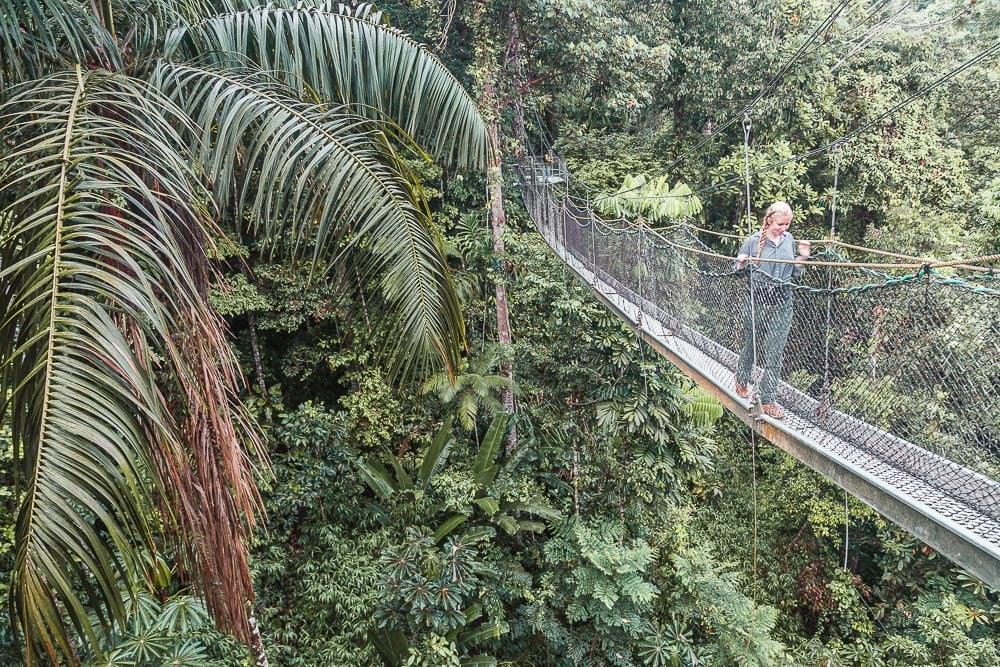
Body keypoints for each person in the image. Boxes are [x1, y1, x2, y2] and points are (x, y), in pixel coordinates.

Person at [733, 202, 811, 419]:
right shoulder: (752, 242)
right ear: (769, 220)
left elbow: (795, 273)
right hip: (757, 300)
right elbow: (737, 273)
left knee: (775, 351)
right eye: (779, 224)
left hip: (782, 301)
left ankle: (768, 400)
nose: (783, 228)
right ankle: (741, 380)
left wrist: (803, 257)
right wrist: (740, 264)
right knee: (752, 343)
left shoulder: (790, 240)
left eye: (787, 224)